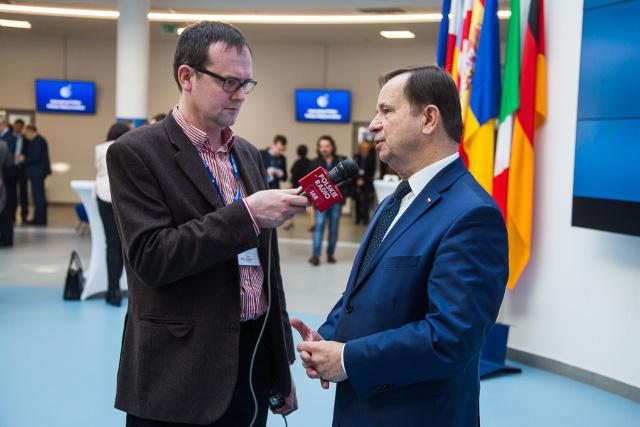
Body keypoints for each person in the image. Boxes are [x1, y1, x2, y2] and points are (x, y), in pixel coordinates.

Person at [106, 21, 306, 426]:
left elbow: (268, 271)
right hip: (178, 370)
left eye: (247, 84)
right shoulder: (136, 153)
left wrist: (280, 365)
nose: (240, 95)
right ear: (187, 77)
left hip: (250, 360)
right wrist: (247, 214)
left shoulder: (247, 154)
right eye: (229, 82)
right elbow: (152, 258)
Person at [291, 65, 509, 427]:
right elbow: (363, 292)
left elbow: (451, 338)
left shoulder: (472, 214)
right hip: (362, 408)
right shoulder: (396, 200)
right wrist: (328, 337)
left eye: (386, 111)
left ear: (429, 119)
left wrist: (347, 359)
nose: (373, 125)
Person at [95, 122, 131, 306]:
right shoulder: (128, 146)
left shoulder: (99, 149)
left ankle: (112, 290)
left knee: (111, 244)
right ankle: (126, 288)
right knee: (125, 243)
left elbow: (100, 171)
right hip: (122, 198)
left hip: (103, 196)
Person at [308, 135, 345, 266]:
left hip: (336, 201)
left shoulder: (341, 161)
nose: (324, 149)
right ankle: (316, 255)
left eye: (327, 146)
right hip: (320, 202)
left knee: (334, 228)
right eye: (321, 146)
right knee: (318, 226)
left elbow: (349, 179)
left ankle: (330, 254)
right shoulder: (314, 163)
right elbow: (310, 183)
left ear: (332, 147)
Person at [22, 125, 51, 226]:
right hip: (36, 173)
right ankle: (37, 218)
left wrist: (24, 158)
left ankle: (40, 220)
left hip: (37, 173)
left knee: (39, 197)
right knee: (36, 196)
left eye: (26, 133)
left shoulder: (39, 141)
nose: (25, 135)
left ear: (31, 131)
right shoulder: (36, 140)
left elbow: (35, 157)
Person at [289, 144, 314, 230]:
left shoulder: (297, 163)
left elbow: (293, 175)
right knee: (309, 204)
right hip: (308, 186)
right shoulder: (310, 162)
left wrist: (290, 186)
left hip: (297, 187)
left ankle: (291, 222)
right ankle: (312, 222)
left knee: (292, 204)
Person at [0, 119, 17, 242]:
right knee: (5, 212)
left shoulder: (5, 143)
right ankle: (6, 238)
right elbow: (10, 165)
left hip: (4, 183)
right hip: (4, 183)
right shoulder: (3, 145)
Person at [352, 138, 376, 224]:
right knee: (357, 201)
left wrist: (363, 180)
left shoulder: (372, 158)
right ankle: (358, 219)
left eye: (365, 148)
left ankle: (365, 219)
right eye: (362, 148)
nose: (363, 149)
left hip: (367, 183)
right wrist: (357, 179)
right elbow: (353, 169)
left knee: (366, 202)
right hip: (356, 182)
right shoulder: (356, 157)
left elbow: (372, 172)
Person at [12, 119, 29, 224]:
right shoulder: (9, 137)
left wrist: (24, 158)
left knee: (23, 193)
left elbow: (29, 153)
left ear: (23, 128)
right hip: (11, 169)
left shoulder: (26, 140)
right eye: (16, 126)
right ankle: (12, 216)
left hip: (22, 169)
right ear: (14, 126)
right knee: (11, 194)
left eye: (20, 126)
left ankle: (24, 216)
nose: (18, 128)